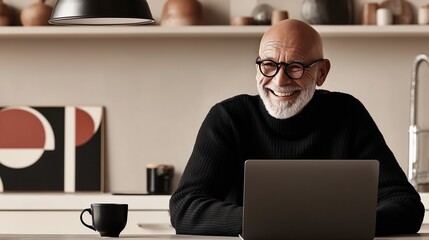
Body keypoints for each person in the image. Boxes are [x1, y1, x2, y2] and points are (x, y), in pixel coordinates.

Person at [169, 19, 425, 236]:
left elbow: (406, 204)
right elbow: (185, 207)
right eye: (268, 64)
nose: (280, 81)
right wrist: (283, 222)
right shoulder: (228, 118)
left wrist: (338, 226)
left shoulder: (348, 114)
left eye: (295, 67)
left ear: (322, 73)